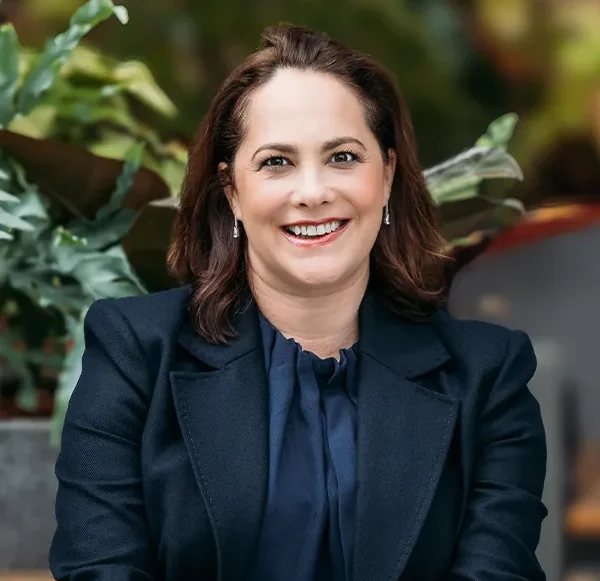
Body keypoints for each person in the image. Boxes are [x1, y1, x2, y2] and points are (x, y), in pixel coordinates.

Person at [49, 23, 548, 581]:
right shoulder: (134, 354)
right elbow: (100, 568)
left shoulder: (488, 376)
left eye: (343, 157)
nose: (312, 192)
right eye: (276, 162)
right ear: (232, 191)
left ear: (387, 175)